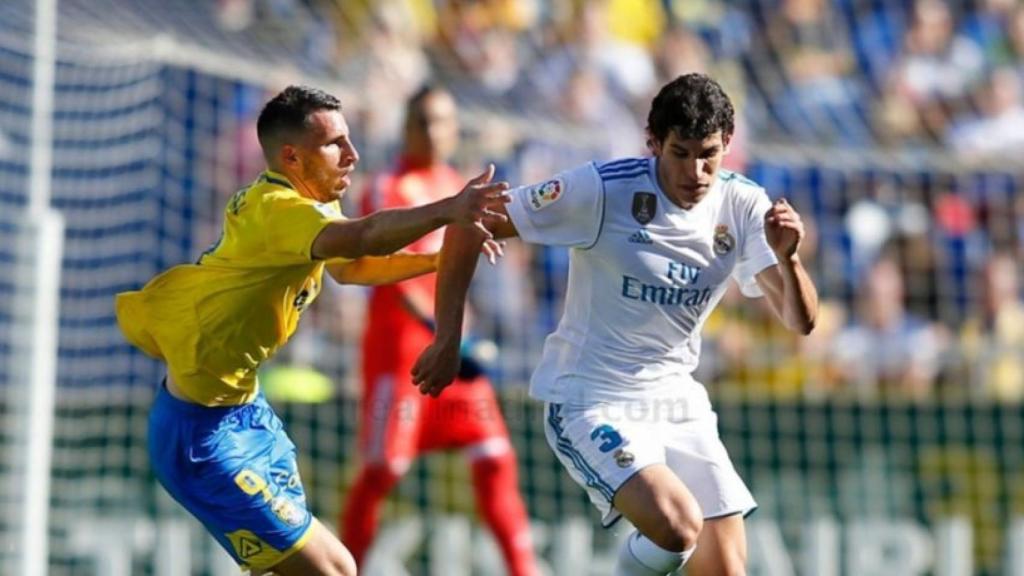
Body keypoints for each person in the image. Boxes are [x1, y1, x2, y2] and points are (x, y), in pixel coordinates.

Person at [412, 73, 819, 576]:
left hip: (677, 399)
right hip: (590, 396)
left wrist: (789, 260)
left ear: (728, 145)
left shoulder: (743, 204)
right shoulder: (602, 189)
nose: (696, 170)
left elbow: (800, 322)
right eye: (681, 153)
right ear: (654, 144)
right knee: (676, 526)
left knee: (727, 569)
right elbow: (470, 222)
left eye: (709, 153)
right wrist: (448, 337)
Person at [114, 85, 509, 576]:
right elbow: (363, 236)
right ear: (291, 157)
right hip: (201, 439)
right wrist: (448, 210)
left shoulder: (308, 208)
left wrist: (440, 256)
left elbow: (352, 265)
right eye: (335, 144)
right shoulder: (276, 211)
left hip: (247, 417)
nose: (353, 154)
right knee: (336, 568)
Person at [341, 85, 539, 576]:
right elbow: (386, 268)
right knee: (384, 468)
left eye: (442, 121)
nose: (433, 131)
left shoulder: (456, 184)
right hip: (402, 355)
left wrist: (460, 334)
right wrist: (444, 331)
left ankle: (525, 570)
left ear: (455, 129)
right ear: (407, 128)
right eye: (423, 122)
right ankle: (345, 567)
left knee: (495, 457)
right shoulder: (388, 187)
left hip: (455, 350)